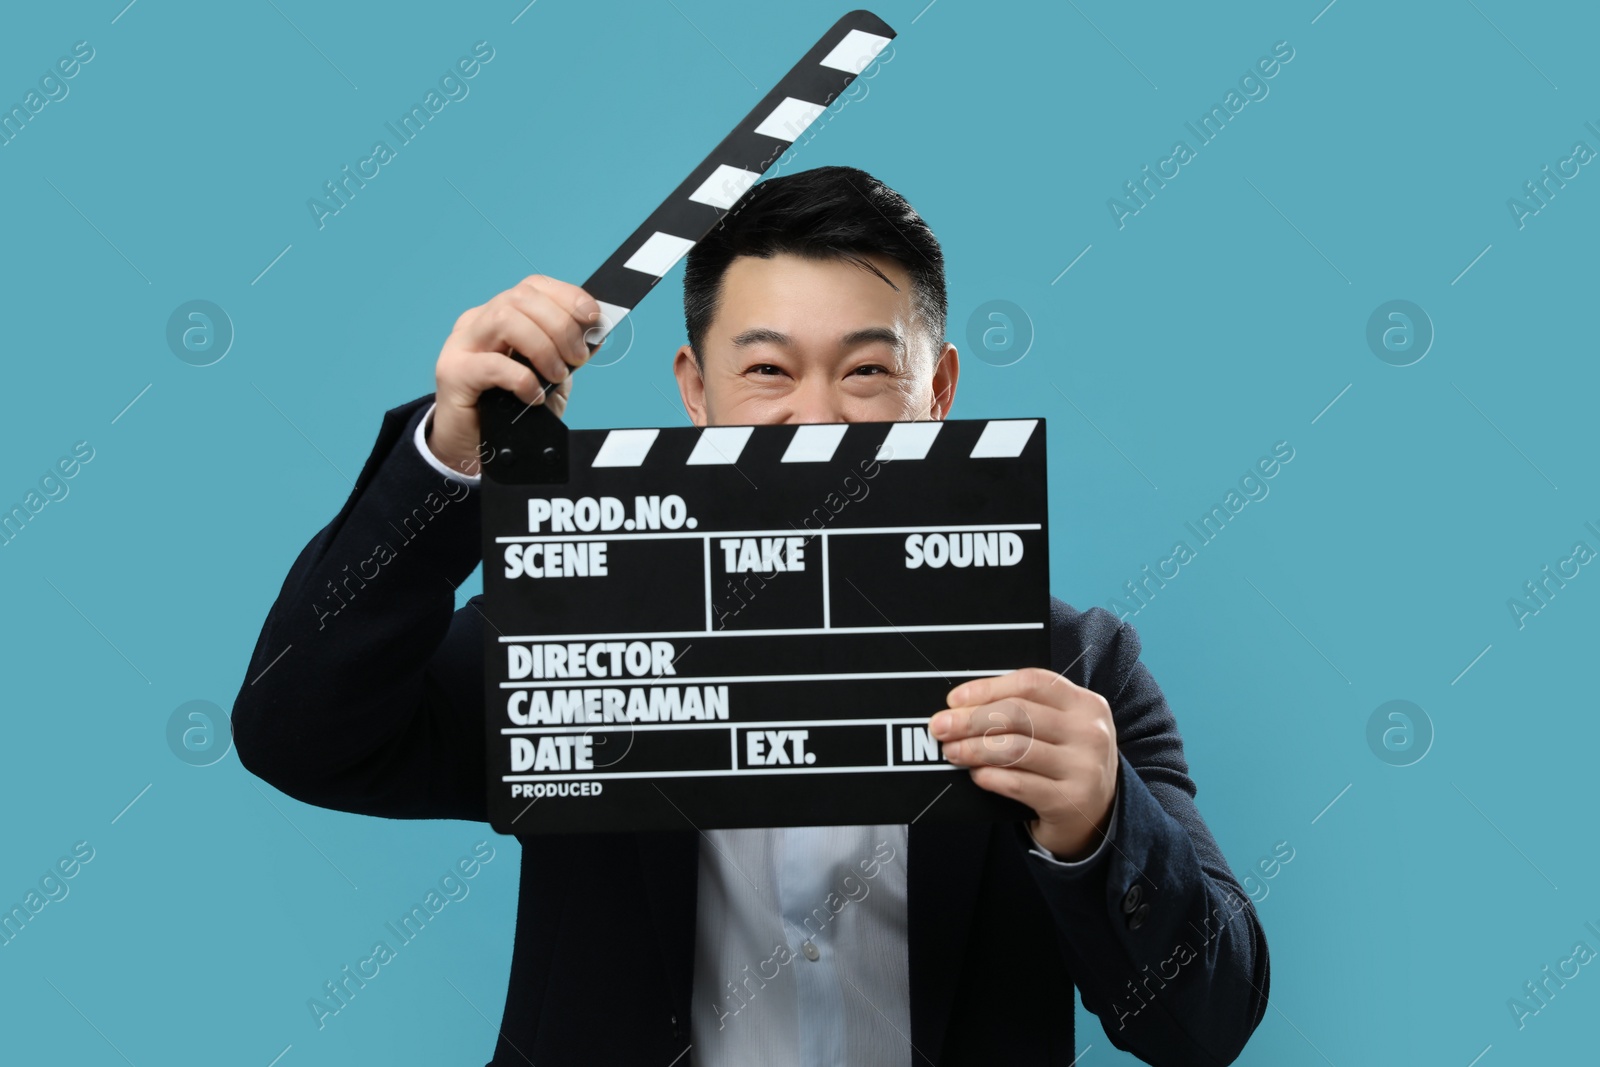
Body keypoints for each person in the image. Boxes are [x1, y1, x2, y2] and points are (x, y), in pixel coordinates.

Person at [231, 165, 1269, 1066]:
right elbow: (300, 730)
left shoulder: (1073, 667)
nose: (815, 415)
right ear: (696, 390)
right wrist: (452, 457)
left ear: (939, 388)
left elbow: (1205, 1022)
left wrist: (1101, 825)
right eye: (768, 369)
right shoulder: (577, 630)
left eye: (867, 371)